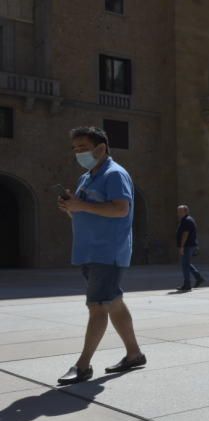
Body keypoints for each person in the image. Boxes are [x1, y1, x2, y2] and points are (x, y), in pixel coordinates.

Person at [56, 126, 146, 385]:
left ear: (101, 148)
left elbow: (120, 209)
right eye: (75, 149)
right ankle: (134, 353)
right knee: (113, 302)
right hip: (89, 251)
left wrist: (81, 205)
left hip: (108, 251)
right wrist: (71, 207)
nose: (78, 153)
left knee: (97, 306)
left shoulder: (115, 174)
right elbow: (87, 212)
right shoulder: (87, 178)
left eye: (82, 148)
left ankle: (82, 366)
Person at [176, 205, 204, 291]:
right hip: (189, 245)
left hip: (188, 246)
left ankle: (187, 284)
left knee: (185, 265)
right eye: (178, 211)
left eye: (180, 211)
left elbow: (185, 234)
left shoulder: (187, 220)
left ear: (186, 211)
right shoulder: (185, 220)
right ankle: (199, 278)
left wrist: (182, 246)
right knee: (187, 263)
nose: (178, 213)